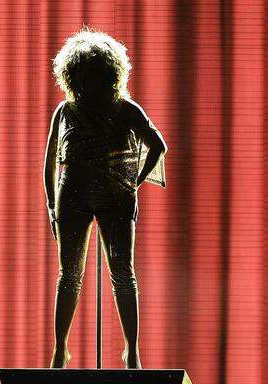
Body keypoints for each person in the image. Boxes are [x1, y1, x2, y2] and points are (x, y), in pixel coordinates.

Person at [43, 26, 167, 369]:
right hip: (75, 196)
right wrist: (52, 205)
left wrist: (133, 182)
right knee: (72, 275)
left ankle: (132, 351)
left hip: (111, 198)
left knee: (119, 275)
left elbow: (158, 147)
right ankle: (60, 349)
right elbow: (50, 161)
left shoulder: (125, 109)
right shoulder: (66, 111)